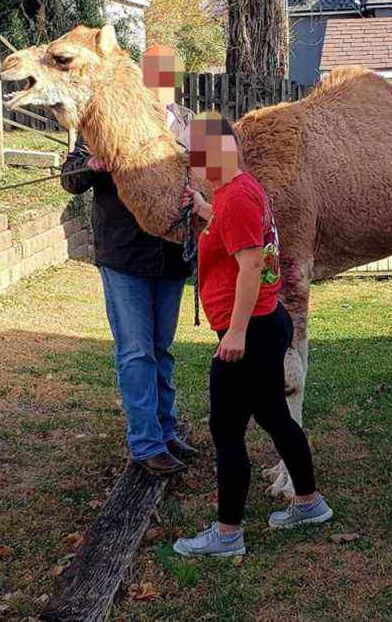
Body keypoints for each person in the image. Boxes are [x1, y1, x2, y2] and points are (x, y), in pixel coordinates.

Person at [173, 112, 333, 558]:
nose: (195, 164)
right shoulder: (236, 192)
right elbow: (238, 235)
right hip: (265, 323)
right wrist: (207, 211)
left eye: (199, 156)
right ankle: (309, 503)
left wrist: (236, 332)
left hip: (250, 331)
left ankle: (227, 534)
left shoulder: (238, 196)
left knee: (226, 429)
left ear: (223, 152)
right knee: (275, 418)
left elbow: (249, 267)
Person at [60, 45, 195, 476]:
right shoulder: (104, 119)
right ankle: (146, 443)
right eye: (152, 73)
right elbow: (70, 179)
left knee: (161, 349)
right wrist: (97, 165)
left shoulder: (188, 125)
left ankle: (167, 431)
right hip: (124, 253)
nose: (159, 81)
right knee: (136, 351)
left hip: (171, 255)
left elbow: (214, 175)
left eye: (166, 74)